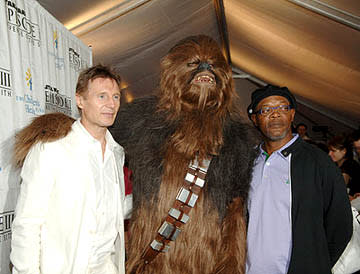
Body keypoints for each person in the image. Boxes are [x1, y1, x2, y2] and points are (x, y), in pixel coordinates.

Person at [111, 35, 258, 273]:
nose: (205, 69)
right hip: (152, 259)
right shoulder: (141, 118)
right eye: (193, 63)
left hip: (206, 260)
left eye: (213, 64)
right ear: (173, 72)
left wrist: (231, 264)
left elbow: (235, 212)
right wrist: (58, 127)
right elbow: (93, 133)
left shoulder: (238, 135)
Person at [10, 65, 129, 274]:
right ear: (80, 100)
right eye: (102, 96)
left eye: (116, 97)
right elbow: (27, 223)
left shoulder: (116, 154)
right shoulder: (50, 149)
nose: (111, 104)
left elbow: (110, 211)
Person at [246, 84, 353, 274]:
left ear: (292, 114)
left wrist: (315, 263)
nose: (275, 114)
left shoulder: (318, 162)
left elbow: (341, 225)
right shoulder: (246, 162)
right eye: (266, 110)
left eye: (282, 107)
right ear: (255, 119)